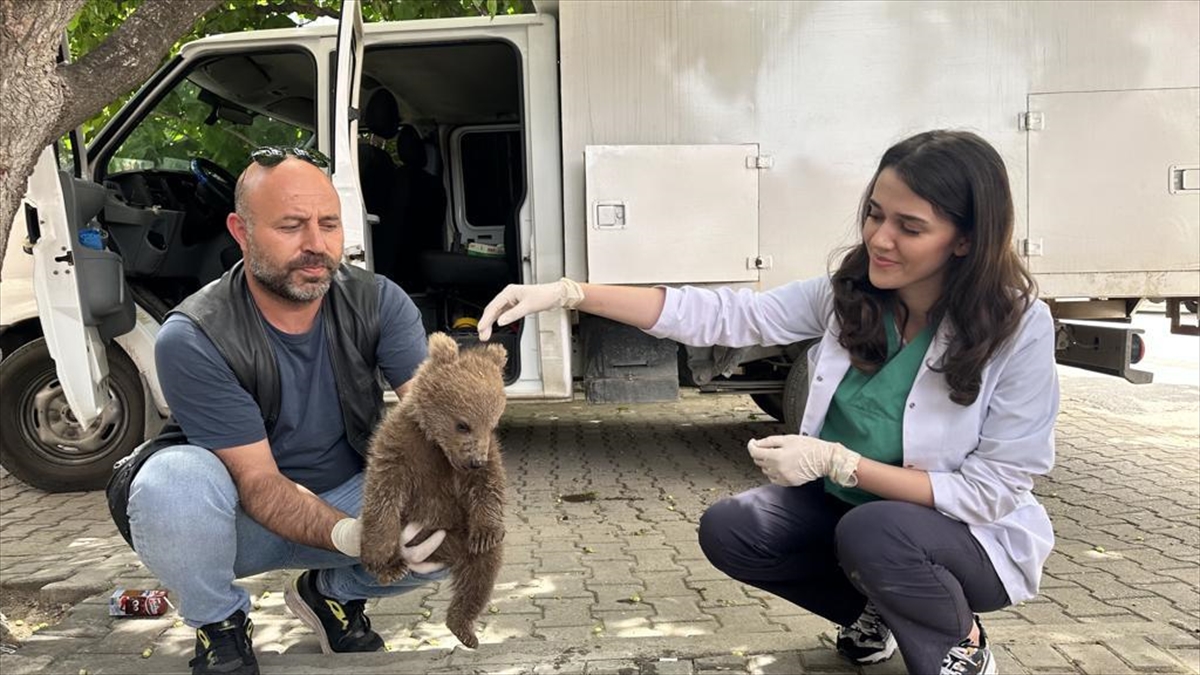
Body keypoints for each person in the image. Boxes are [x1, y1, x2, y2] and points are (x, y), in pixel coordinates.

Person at [476, 130, 1058, 675]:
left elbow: (993, 490)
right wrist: (572, 293)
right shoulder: (850, 295)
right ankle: (875, 611)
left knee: (876, 531)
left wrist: (838, 462)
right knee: (733, 528)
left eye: (909, 227)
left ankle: (961, 641)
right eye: (875, 214)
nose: (879, 238)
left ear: (965, 239)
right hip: (858, 518)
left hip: (962, 537)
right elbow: (728, 316)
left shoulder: (1017, 326)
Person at [118, 147, 446, 675]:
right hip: (236, 524)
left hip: (347, 498)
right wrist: (357, 537)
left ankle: (332, 593)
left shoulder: (378, 301)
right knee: (171, 482)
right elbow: (259, 484)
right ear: (241, 232)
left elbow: (437, 422)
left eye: (329, 224)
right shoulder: (195, 334)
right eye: (291, 226)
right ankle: (219, 623)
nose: (316, 245)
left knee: (463, 512)